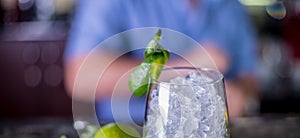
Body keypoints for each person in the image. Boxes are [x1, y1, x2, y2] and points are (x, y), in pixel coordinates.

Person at [64, 0, 259, 123]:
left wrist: (240, 96)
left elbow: (249, 77)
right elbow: (81, 76)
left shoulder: (231, 6)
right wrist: (185, 68)